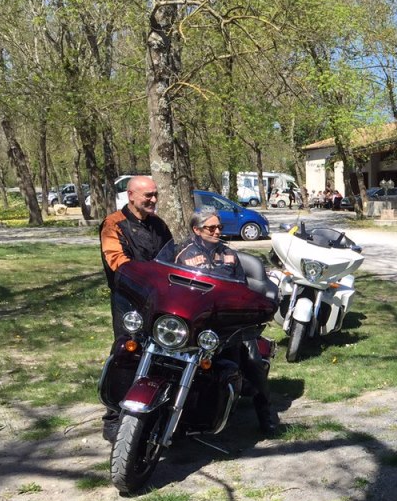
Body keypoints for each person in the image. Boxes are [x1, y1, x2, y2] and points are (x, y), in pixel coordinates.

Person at [173, 209, 277, 436]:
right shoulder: (183, 255)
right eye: (211, 228)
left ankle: (266, 412)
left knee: (253, 359)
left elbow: (241, 287)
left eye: (219, 227)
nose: (217, 231)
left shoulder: (229, 254)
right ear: (196, 230)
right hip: (198, 320)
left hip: (229, 319)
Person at [99, 175, 172, 442]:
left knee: (162, 350)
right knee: (127, 352)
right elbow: (116, 261)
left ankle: (154, 407)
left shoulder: (158, 224)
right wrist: (146, 279)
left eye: (155, 194)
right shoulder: (113, 224)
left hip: (158, 298)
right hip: (128, 299)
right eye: (147, 195)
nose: (153, 199)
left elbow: (171, 256)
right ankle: (113, 416)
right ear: (131, 195)